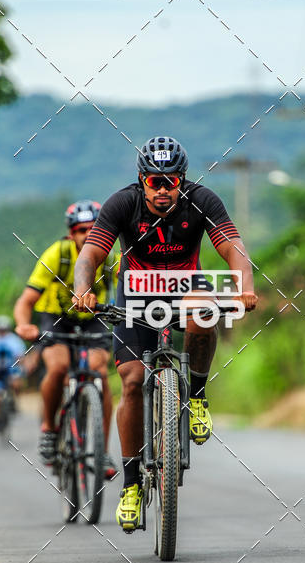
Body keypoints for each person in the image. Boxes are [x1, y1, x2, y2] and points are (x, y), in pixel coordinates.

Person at [72, 137, 258, 532]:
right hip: (136, 292)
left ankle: (198, 396)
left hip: (185, 284)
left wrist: (245, 284)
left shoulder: (202, 200)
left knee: (204, 312)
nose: (161, 189)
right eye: (154, 181)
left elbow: (232, 246)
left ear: (182, 181)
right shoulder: (122, 203)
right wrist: (83, 288)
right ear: (142, 180)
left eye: (169, 182)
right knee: (133, 379)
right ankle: (132, 484)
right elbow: (90, 254)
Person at [14, 200, 118, 476]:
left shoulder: (109, 258)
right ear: (71, 233)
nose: (88, 234)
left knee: (100, 374)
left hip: (93, 320)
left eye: (94, 229)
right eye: (81, 229)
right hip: (56, 319)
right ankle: (49, 427)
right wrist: (24, 325)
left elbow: (129, 286)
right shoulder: (56, 255)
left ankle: (102, 451)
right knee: (58, 367)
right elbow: (26, 300)